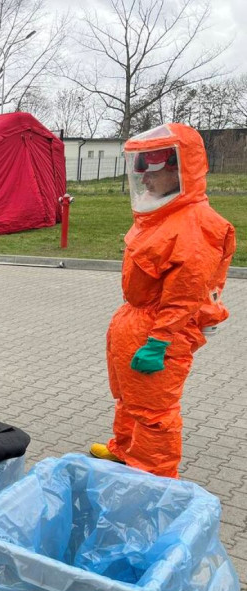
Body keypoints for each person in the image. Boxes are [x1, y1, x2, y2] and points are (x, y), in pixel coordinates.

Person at [90, 124, 236, 479]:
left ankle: (153, 479)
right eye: (143, 170)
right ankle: (123, 450)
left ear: (180, 169)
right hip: (136, 321)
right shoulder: (163, 216)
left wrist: (159, 341)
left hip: (160, 330)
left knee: (154, 411)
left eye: (156, 171)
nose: (147, 180)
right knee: (129, 398)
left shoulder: (195, 225)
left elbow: (184, 294)